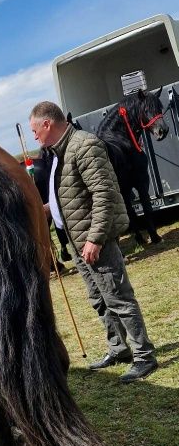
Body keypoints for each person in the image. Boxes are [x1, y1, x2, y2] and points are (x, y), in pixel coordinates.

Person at [29, 101, 157, 383]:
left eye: (35, 130)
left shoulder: (85, 145)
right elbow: (71, 194)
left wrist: (96, 239)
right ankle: (118, 348)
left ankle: (144, 355)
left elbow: (104, 194)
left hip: (92, 239)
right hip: (77, 241)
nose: (34, 136)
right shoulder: (59, 154)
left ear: (47, 124)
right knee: (99, 300)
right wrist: (47, 209)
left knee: (118, 297)